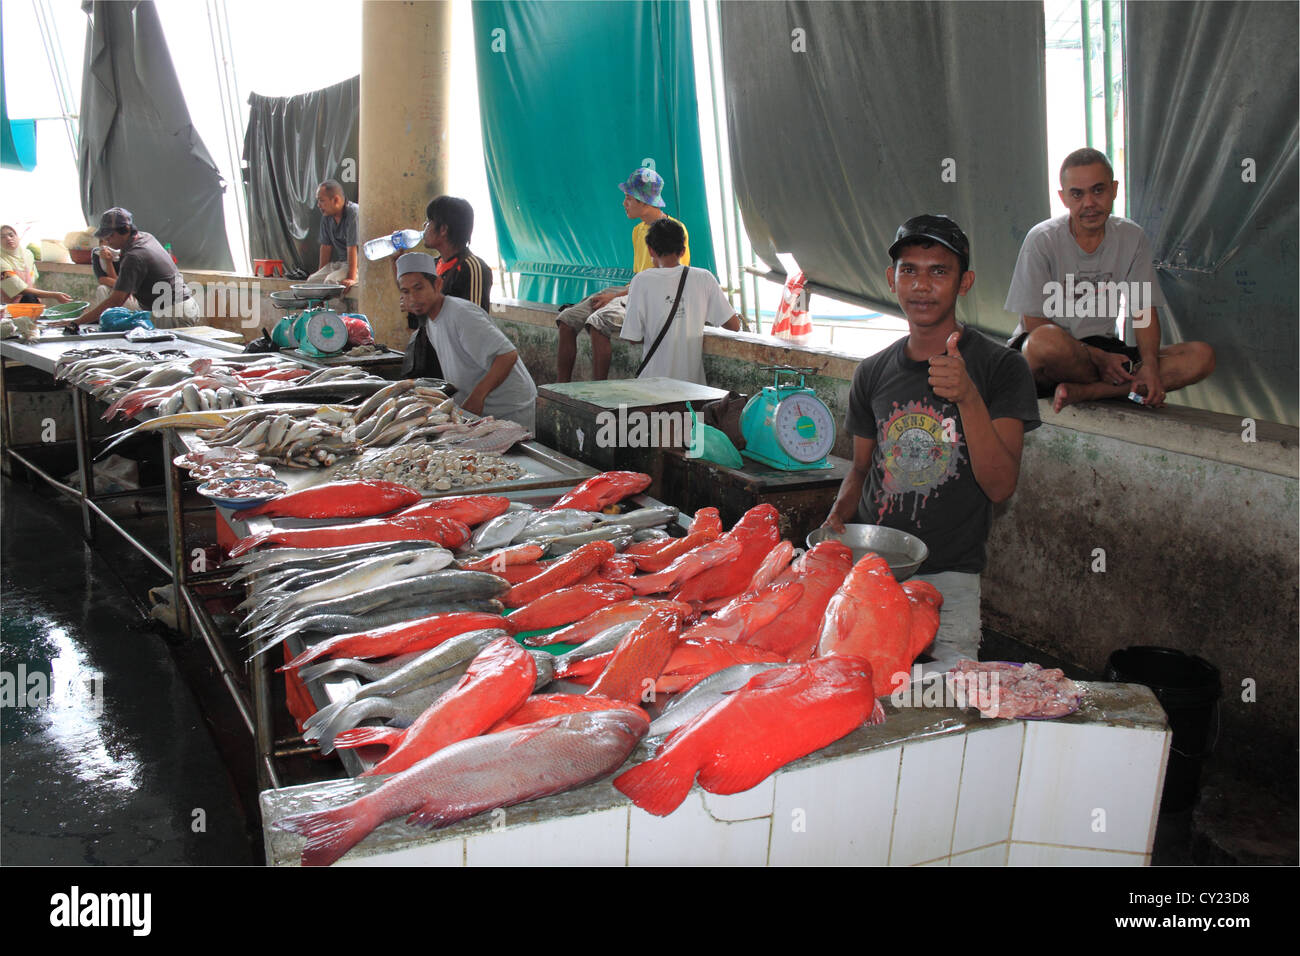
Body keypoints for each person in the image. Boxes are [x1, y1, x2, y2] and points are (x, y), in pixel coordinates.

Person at [824, 215, 1040, 674]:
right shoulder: (872, 372)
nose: (922, 285)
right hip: (874, 573)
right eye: (910, 270)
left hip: (950, 579)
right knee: (859, 688)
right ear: (892, 279)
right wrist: (839, 514)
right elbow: (862, 468)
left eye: (939, 271)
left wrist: (967, 397)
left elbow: (1001, 487)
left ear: (965, 282)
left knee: (948, 706)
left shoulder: (1002, 368)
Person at [1004, 147, 1215, 412]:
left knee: (1200, 357)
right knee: (1045, 341)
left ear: (1114, 190)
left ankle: (1090, 391)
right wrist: (1099, 359)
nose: (1089, 203)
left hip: (1104, 351)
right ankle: (1117, 388)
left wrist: (1149, 365)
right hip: (1054, 358)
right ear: (1064, 198)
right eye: (1077, 194)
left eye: (1098, 190)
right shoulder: (1042, 240)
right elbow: (1034, 325)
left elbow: (1143, 311)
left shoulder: (1131, 237)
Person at [556, 166, 690, 381]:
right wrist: (617, 294)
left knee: (597, 323)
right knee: (567, 319)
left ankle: (598, 390)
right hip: (632, 289)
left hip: (654, 297)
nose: (623, 203)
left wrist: (615, 297)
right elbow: (638, 277)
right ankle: (559, 387)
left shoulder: (675, 230)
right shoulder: (638, 231)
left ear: (644, 202)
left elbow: (665, 283)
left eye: (628, 198)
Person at [395, 251, 537, 430]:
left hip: (509, 409)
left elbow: (507, 355)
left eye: (419, 288)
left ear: (437, 284)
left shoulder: (460, 314)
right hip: (479, 413)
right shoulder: (430, 319)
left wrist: (477, 397)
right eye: (406, 292)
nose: (413, 298)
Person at [621, 218, 740, 384]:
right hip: (693, 389)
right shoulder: (704, 278)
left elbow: (633, 337)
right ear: (683, 251)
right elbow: (734, 325)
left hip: (652, 385)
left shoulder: (641, 281)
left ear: (650, 250)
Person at [400, 195, 493, 379]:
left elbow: (473, 327)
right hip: (428, 363)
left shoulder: (472, 268)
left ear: (443, 229)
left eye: (428, 222)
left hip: (455, 370)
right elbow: (416, 321)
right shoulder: (431, 267)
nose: (424, 228)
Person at [61, 208, 199, 328]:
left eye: (111, 235)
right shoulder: (145, 238)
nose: (107, 240)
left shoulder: (135, 256)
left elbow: (116, 300)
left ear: (126, 230)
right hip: (183, 307)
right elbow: (120, 287)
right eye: (105, 236)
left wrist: (77, 322)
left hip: (173, 312)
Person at [1, 225, 71, 305]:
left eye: (11, 235)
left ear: (17, 236)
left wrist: (37, 301)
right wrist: (55, 295)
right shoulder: (1, 261)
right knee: (28, 296)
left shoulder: (27, 255)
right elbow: (20, 289)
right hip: (8, 307)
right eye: (2, 237)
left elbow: (32, 281)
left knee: (30, 298)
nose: (8, 238)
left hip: (30, 300)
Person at [308, 180, 358, 288]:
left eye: (321, 201)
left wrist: (351, 278)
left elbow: (352, 247)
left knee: (331, 282)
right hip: (340, 264)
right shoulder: (327, 216)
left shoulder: (353, 213)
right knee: (312, 281)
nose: (318, 205)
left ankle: (339, 306)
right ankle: (317, 305)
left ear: (336, 200)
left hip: (357, 265)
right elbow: (325, 247)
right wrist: (320, 273)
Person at [91, 241, 140, 309]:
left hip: (130, 295)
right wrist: (107, 262)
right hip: (115, 289)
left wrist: (108, 262)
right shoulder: (98, 253)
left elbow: (124, 286)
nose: (103, 246)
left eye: (108, 240)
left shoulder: (129, 254)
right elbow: (102, 279)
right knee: (101, 289)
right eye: (101, 241)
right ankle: (106, 317)